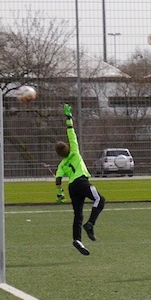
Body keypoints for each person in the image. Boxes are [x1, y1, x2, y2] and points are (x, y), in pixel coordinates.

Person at [55, 104, 105, 256]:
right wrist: (68, 117)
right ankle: (90, 224)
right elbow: (71, 132)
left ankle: (77, 239)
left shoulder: (62, 164)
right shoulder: (75, 151)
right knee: (100, 200)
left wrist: (60, 194)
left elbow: (58, 179)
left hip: (72, 187)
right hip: (82, 182)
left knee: (78, 214)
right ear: (68, 147)